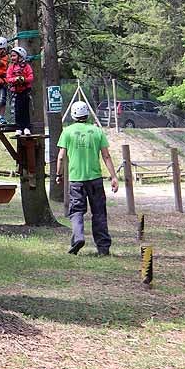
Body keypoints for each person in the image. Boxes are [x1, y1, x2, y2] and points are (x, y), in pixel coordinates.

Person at [56, 100, 118, 256]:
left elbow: (61, 157)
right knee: (99, 213)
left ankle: (78, 237)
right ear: (87, 114)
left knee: (76, 211)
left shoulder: (67, 131)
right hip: (95, 179)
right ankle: (103, 248)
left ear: (73, 115)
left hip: (76, 179)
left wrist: (59, 174)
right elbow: (106, 156)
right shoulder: (97, 131)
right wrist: (114, 177)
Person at [6, 45, 35, 135]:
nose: (12, 58)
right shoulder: (11, 67)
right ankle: (19, 128)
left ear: (21, 56)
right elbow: (8, 78)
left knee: (25, 110)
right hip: (16, 93)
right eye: (12, 56)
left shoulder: (26, 67)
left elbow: (31, 77)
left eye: (14, 56)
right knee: (17, 110)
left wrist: (23, 79)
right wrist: (15, 79)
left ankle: (26, 127)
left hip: (25, 92)